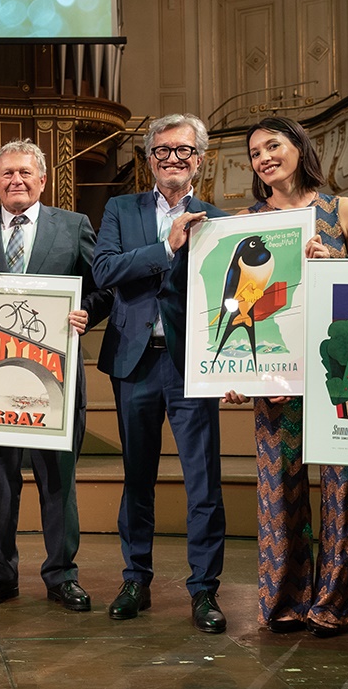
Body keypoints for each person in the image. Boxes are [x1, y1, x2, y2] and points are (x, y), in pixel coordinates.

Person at [222, 117, 348, 636]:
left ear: (299, 148)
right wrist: (229, 367)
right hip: (276, 371)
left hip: (340, 369)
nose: (264, 157)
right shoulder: (245, 221)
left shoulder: (344, 212)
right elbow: (234, 303)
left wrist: (335, 260)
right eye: (254, 152)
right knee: (279, 486)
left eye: (274, 145)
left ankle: (339, 604)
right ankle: (286, 602)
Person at [0, 140, 110, 613]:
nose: (16, 181)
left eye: (24, 173)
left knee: (58, 481)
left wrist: (84, 315)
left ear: (41, 180)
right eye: (7, 174)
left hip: (55, 382)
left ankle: (61, 576)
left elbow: (102, 290)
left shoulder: (74, 225)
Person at [91, 113, 231, 634]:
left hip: (193, 365)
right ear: (149, 158)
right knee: (138, 478)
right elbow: (104, 270)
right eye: (164, 150)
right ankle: (136, 579)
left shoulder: (219, 220)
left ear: (200, 160)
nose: (174, 158)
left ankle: (204, 591)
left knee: (203, 484)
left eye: (185, 151)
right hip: (133, 362)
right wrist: (165, 246)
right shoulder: (120, 209)